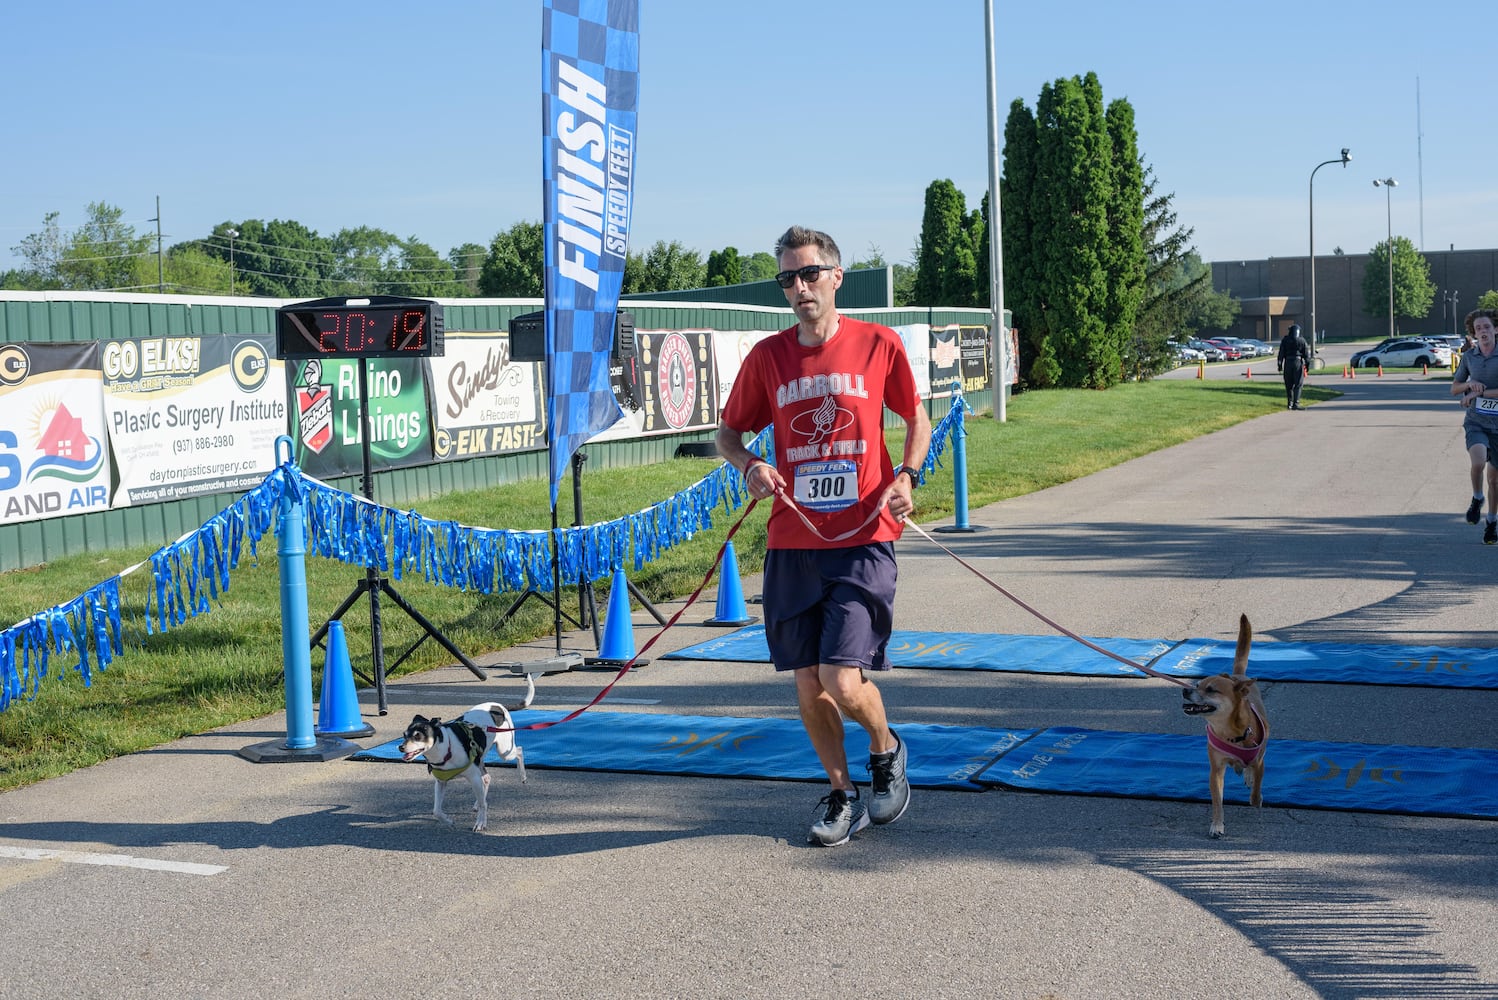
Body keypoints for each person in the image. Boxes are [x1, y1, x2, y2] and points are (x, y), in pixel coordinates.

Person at [715, 225, 930, 847]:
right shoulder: (769, 357)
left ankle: (886, 749)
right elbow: (730, 433)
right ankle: (841, 793)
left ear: (837, 277)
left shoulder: (877, 344)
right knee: (808, 682)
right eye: (788, 278)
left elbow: (915, 416)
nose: (800, 287)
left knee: (842, 678)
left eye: (810, 274)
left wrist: (907, 474)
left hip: (863, 536)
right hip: (792, 542)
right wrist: (751, 463)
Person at [1451, 308, 1498, 543]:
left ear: (1495, 329)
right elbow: (1454, 388)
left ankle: (1491, 522)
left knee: (1495, 480)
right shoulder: (1470, 358)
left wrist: (1476, 396)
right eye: (1478, 328)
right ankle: (1477, 498)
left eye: (1487, 327)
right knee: (1478, 461)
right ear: (1474, 333)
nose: (1483, 331)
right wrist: (1470, 384)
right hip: (1477, 422)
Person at [1277, 323, 1311, 409]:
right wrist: (1307, 365)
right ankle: (1296, 403)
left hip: (1288, 362)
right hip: (1298, 362)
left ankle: (1289, 403)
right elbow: (1307, 354)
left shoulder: (1285, 340)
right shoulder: (1302, 340)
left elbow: (1281, 353)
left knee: (1288, 384)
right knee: (1298, 384)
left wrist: (1280, 364)